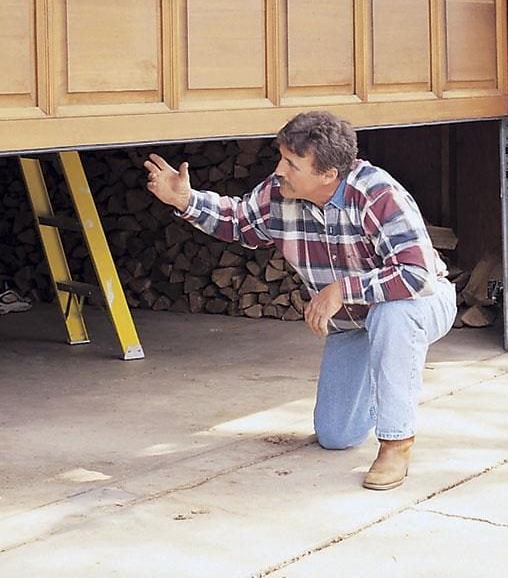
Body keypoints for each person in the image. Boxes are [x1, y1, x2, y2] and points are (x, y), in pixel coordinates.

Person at [144, 110, 457, 491]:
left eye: (292, 163)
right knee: (335, 436)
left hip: (420, 303)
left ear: (328, 174)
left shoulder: (378, 194)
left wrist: (342, 290)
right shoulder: (279, 193)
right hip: (350, 326)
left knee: (393, 316)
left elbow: (416, 275)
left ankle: (396, 443)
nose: (279, 169)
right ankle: (387, 381)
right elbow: (240, 221)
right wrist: (186, 200)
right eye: (281, 157)